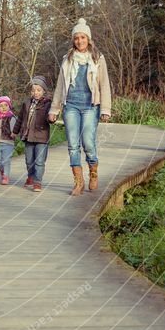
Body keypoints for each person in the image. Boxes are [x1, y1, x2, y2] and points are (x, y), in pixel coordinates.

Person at [49, 18, 112, 196]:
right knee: (73, 145)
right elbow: (60, 85)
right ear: (73, 40)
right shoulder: (67, 59)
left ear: (88, 39)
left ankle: (93, 171)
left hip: (91, 105)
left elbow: (104, 84)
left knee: (88, 143)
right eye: (76, 38)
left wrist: (106, 109)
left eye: (83, 37)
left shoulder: (98, 58)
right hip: (71, 105)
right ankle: (78, 181)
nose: (79, 41)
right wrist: (54, 109)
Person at [13, 76, 53, 192]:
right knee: (29, 160)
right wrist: (15, 132)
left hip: (41, 137)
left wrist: (52, 118)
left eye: (38, 90)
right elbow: (20, 119)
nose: (35, 93)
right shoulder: (26, 103)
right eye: (33, 90)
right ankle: (30, 176)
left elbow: (50, 118)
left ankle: (37, 182)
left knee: (39, 161)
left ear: (43, 91)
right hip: (28, 137)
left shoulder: (48, 104)